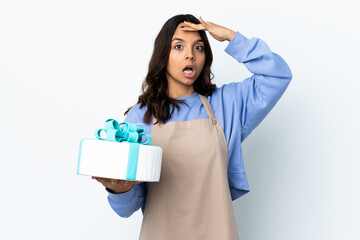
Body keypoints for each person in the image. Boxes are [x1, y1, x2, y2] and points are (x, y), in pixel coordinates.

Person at [92, 14, 292, 239]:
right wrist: (119, 188)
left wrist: (230, 37)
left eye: (198, 47)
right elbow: (127, 208)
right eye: (178, 46)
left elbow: (278, 75)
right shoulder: (141, 117)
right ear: (163, 56)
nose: (190, 54)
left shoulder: (227, 103)